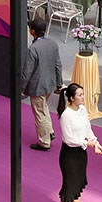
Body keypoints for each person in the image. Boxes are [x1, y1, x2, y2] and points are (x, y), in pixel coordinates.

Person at [58, 83, 102, 202]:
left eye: (83, 94)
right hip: (69, 155)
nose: (83, 97)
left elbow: (87, 128)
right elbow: (68, 139)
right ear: (72, 98)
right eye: (80, 95)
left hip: (81, 153)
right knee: (69, 184)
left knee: (78, 183)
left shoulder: (83, 110)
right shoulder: (66, 115)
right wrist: (86, 143)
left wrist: (95, 142)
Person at [19, 17, 63, 151]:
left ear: (32, 31)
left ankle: (44, 142)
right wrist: (59, 82)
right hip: (50, 84)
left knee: (39, 113)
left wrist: (21, 88)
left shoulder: (33, 49)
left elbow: (27, 72)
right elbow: (58, 65)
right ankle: (49, 132)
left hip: (37, 86)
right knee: (43, 108)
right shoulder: (53, 44)